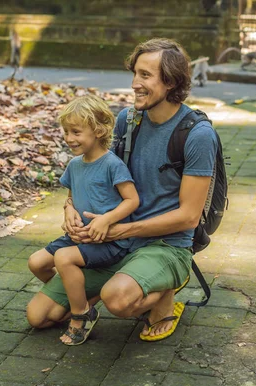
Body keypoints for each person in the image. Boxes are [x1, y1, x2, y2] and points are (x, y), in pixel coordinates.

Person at [26, 38, 218, 342]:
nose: (134, 84)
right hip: (115, 242)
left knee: (117, 300)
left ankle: (165, 291)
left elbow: (189, 218)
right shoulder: (128, 120)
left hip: (165, 245)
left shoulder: (197, 135)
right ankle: (101, 294)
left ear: (170, 82)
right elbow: (96, 169)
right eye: (135, 74)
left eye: (145, 75)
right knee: (40, 317)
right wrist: (70, 207)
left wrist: (122, 230)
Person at [28, 95, 139, 345]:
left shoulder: (112, 165)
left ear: (98, 130)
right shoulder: (75, 165)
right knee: (36, 262)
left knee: (63, 258)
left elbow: (132, 200)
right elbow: (71, 197)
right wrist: (68, 212)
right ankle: (75, 293)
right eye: (66, 131)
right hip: (78, 237)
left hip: (108, 242)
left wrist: (106, 220)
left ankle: (81, 315)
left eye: (76, 132)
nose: (69, 138)